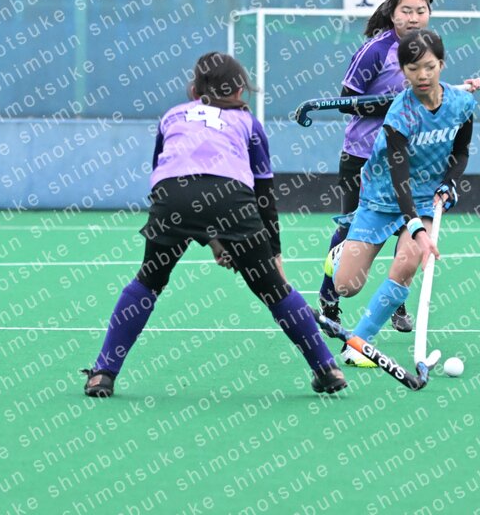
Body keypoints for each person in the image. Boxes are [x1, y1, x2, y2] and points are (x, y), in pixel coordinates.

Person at [81, 52, 346, 397]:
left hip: (172, 198)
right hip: (231, 199)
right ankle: (327, 368)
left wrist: (217, 240)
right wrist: (271, 254)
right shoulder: (248, 123)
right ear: (240, 92)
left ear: (194, 90)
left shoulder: (172, 115)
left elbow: (170, 176)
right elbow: (263, 195)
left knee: (148, 280)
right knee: (274, 290)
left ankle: (103, 373)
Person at [326, 29, 480, 366]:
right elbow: (399, 175)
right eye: (413, 69)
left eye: (429, 67)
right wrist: (416, 227)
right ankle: (339, 256)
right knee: (346, 286)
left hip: (427, 196)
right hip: (383, 194)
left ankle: (359, 343)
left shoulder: (462, 104)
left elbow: (461, 151)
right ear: (403, 71)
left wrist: (449, 183)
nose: (422, 75)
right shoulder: (400, 113)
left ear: (441, 64)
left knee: (407, 262)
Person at [317, 0, 436, 333]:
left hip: (407, 159)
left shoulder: (429, 49)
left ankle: (395, 302)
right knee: (352, 230)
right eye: (406, 11)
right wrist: (394, 106)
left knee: (408, 230)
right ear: (393, 13)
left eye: (420, 11)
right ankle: (329, 298)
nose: (413, 18)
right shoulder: (376, 50)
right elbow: (346, 101)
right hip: (363, 158)